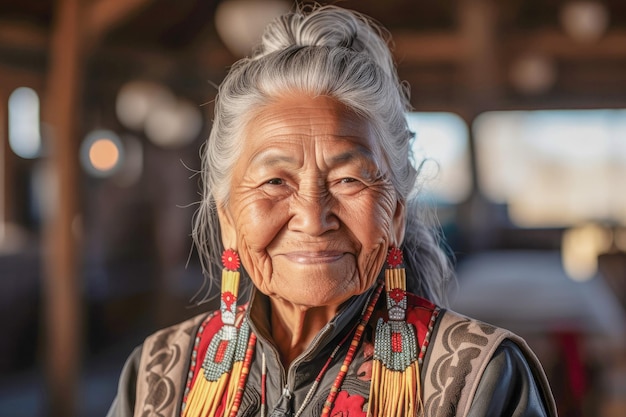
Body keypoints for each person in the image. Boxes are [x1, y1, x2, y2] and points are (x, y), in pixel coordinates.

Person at [107, 5, 557, 417]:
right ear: (228, 218)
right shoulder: (158, 373)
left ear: (396, 215)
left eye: (348, 180)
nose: (312, 216)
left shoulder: (478, 376)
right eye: (275, 182)